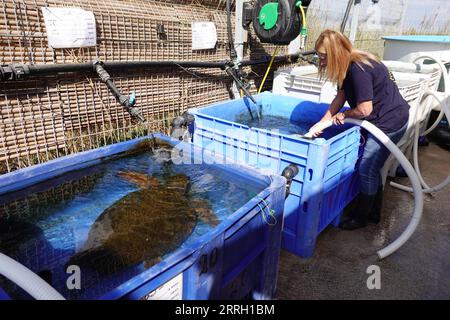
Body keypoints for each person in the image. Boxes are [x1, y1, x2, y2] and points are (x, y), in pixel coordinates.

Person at [310, 29, 410, 230]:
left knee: (367, 168)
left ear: (336, 54)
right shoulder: (349, 63)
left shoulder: (358, 69)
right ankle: (373, 213)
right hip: (385, 117)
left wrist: (344, 115)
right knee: (373, 168)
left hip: (389, 122)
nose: (320, 62)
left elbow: (365, 109)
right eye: (319, 56)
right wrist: (321, 123)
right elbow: (341, 96)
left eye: (323, 57)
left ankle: (361, 217)